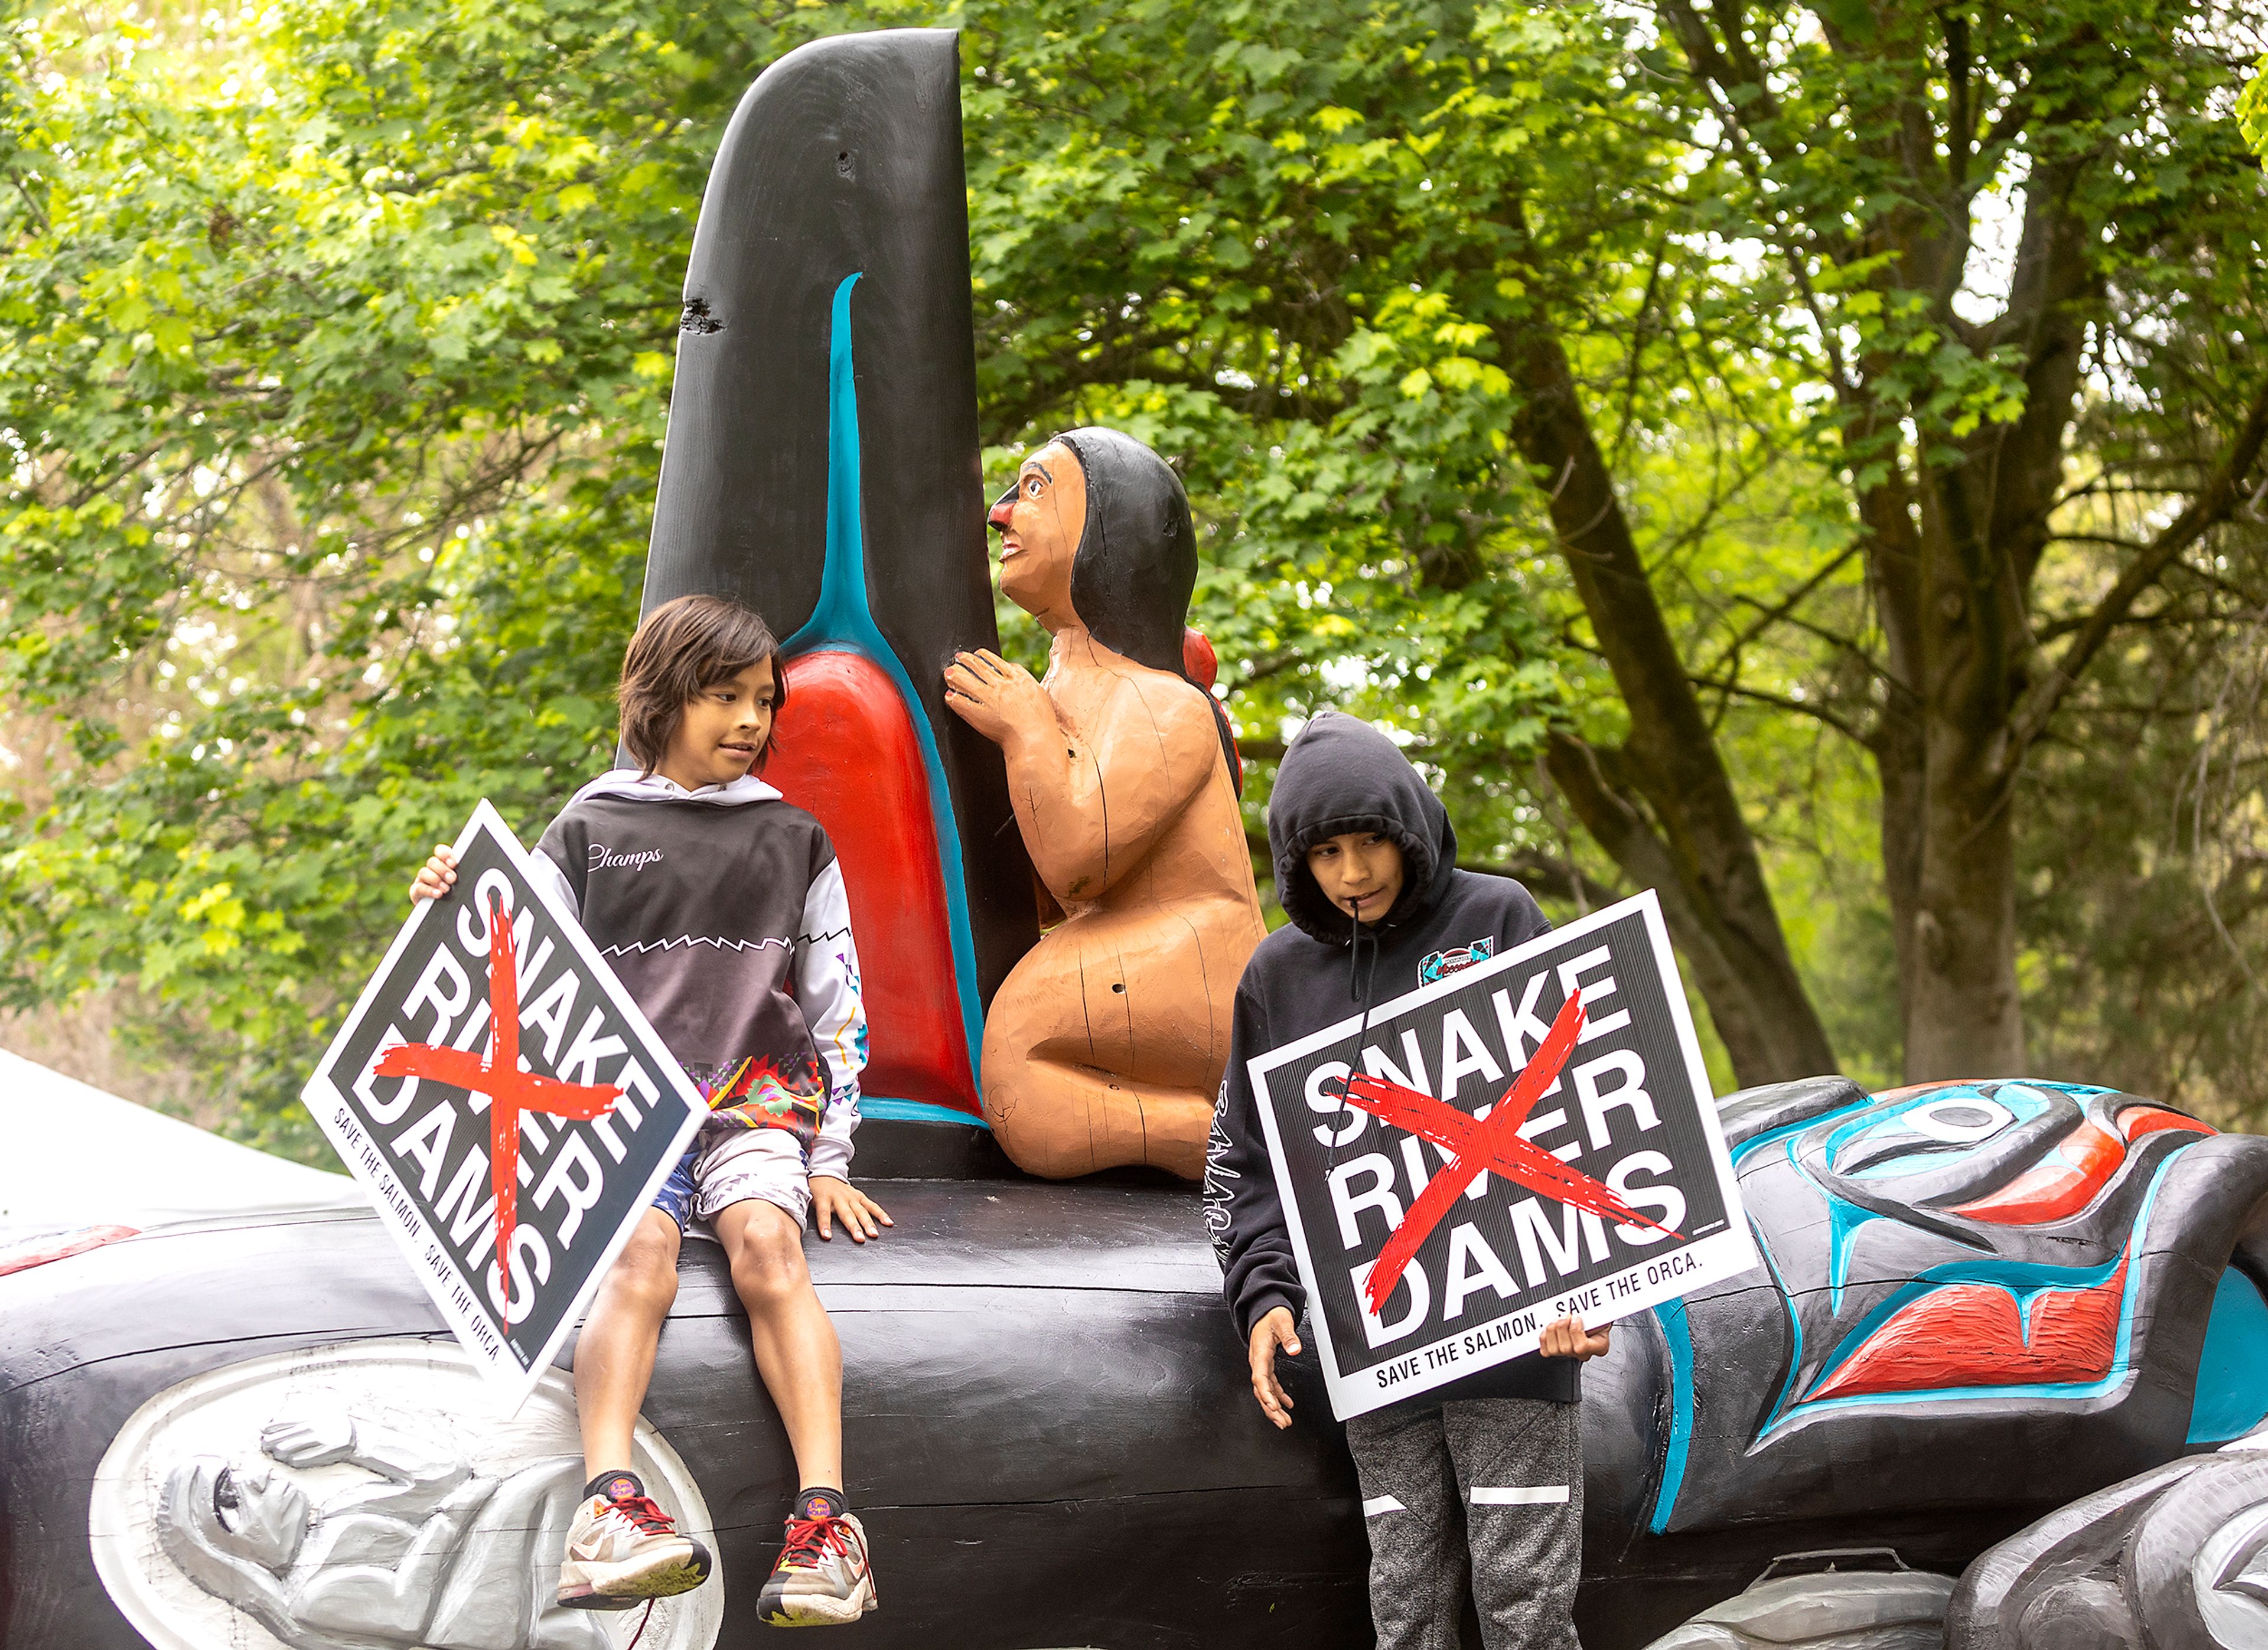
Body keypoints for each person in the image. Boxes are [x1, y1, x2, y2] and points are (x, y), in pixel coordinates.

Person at [410, 593, 890, 1625]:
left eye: (765, 699)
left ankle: (827, 1521)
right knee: (640, 1255)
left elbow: (835, 1003)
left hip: (755, 1101)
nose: (751, 720)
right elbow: (506, 963)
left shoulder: (794, 836)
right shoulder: (588, 826)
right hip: (621, 1111)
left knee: (770, 1244)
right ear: (660, 697)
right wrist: (446, 896)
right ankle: (609, 1507)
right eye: (724, 695)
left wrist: (832, 1156)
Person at [1204, 709, 1614, 1649]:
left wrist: (1589, 1283)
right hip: (1378, 1351)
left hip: (1518, 1344)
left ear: (1411, 826)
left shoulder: (1500, 916)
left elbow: (1588, 1108)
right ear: (1294, 863)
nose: (1354, 873)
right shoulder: (1275, 976)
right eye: (1328, 854)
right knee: (1409, 1608)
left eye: (1373, 842)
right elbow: (1248, 1160)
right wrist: (1264, 1293)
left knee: (1526, 1605)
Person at [942, 427, 1266, 1179]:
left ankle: (1219, 1138)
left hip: (1196, 960)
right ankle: (1206, 1131)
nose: (998, 514)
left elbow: (1077, 863)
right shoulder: (1064, 690)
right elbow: (1048, 898)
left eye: (1033, 488)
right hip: (1123, 947)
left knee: (1019, 1061)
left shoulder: (1162, 705)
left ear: (1107, 534)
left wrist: (1026, 730)